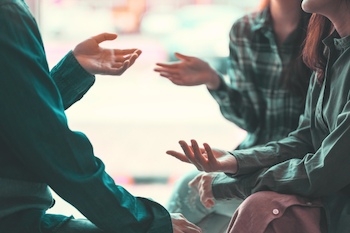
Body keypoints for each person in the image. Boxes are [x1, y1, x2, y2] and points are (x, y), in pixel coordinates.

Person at [0, 0, 202, 232]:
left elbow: (22, 115)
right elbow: (49, 142)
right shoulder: (6, 11)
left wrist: (73, 71)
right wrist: (145, 222)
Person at [167, 0, 350, 231]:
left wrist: (233, 180)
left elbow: (322, 168)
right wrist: (235, 160)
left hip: (304, 180)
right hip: (276, 161)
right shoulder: (325, 48)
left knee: (194, 192)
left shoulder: (316, 32)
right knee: (205, 218)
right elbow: (302, 138)